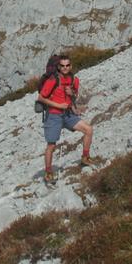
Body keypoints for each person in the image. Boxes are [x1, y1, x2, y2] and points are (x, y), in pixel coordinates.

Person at [37, 55, 94, 183]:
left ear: (71, 66)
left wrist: (71, 93)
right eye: (62, 66)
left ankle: (85, 157)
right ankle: (48, 172)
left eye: (67, 65)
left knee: (88, 130)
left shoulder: (74, 80)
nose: (65, 68)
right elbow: (41, 98)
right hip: (53, 115)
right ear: (58, 67)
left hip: (68, 114)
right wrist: (58, 105)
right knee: (51, 145)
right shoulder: (53, 80)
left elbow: (75, 96)